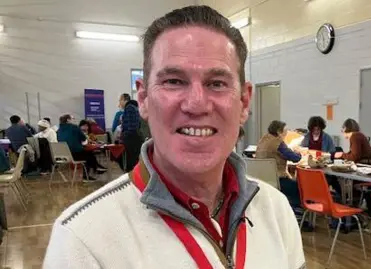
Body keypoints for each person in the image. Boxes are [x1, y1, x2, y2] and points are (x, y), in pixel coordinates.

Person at [43, 6, 305, 269]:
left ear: (244, 101)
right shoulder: (82, 241)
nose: (196, 104)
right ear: (143, 99)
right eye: (173, 81)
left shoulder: (276, 210)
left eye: (216, 83)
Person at [255, 120, 311, 229]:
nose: (286, 133)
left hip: (264, 180)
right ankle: (299, 220)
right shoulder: (278, 142)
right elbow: (295, 158)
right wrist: (299, 152)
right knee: (301, 189)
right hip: (278, 180)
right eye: (285, 131)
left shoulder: (263, 139)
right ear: (279, 131)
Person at [56, 114, 106, 181]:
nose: (74, 120)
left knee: (87, 154)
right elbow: (84, 139)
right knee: (88, 153)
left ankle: (96, 168)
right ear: (68, 120)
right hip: (74, 154)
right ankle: (92, 170)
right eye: (72, 118)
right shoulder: (74, 127)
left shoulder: (58, 130)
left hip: (63, 155)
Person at [118, 93, 144, 172]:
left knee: (130, 163)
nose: (119, 103)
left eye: (120, 100)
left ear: (125, 100)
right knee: (133, 163)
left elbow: (131, 127)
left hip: (131, 140)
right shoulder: (134, 107)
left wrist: (123, 136)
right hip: (135, 138)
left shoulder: (129, 108)